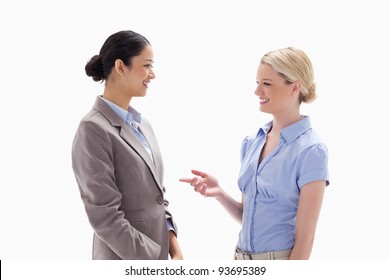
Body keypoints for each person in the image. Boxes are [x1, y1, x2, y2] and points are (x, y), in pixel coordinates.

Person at [180, 47, 329, 260]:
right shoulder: (251, 143)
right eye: (257, 83)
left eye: (267, 84)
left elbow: (306, 239)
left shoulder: (311, 151)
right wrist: (219, 193)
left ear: (295, 87)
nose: (257, 91)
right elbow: (247, 216)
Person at [72, 30, 183, 260]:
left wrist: (173, 244)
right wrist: (152, 259)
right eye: (147, 65)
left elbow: (157, 196)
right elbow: (104, 215)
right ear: (121, 67)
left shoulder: (143, 125)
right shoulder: (92, 128)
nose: (152, 74)